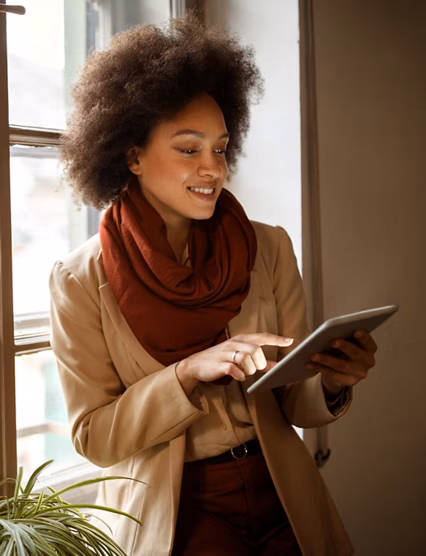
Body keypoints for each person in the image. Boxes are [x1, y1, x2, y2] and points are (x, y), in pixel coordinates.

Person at [49, 13, 377, 556]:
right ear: (131, 155)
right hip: (179, 509)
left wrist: (336, 381)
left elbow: (294, 399)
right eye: (188, 148)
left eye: (220, 148)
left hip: (281, 491)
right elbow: (95, 438)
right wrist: (187, 373)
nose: (213, 168)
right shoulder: (80, 281)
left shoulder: (267, 247)